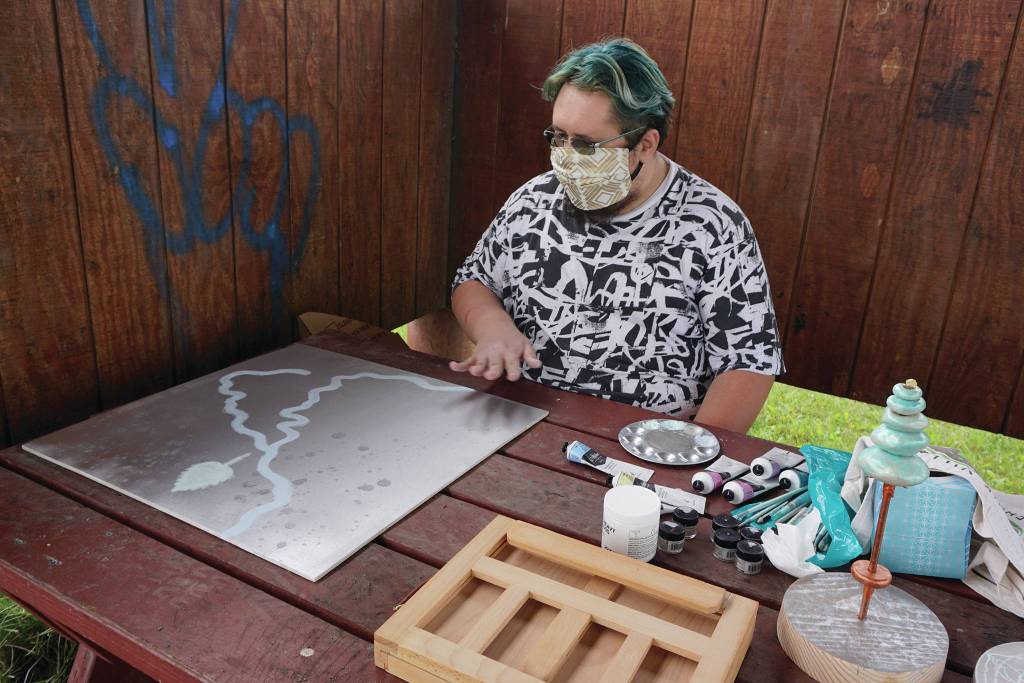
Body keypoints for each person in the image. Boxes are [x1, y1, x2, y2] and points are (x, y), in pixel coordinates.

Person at [448, 39, 784, 434]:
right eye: (558, 136)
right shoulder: (534, 200)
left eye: (587, 144)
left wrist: (685, 452)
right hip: (522, 425)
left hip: (649, 444)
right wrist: (491, 325)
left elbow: (748, 362)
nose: (567, 157)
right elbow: (473, 280)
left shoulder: (713, 225)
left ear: (646, 144)